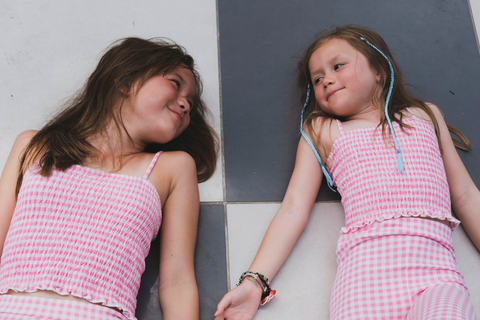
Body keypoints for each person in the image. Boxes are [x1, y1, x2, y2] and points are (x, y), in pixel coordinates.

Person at [214, 25, 479, 319]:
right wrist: (254, 283)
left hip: (435, 274)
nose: (326, 80)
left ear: (379, 69)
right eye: (317, 79)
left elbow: (467, 196)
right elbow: (293, 209)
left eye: (338, 66)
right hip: (364, 280)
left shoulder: (424, 115)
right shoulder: (322, 130)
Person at [0, 37, 218, 320]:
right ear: (124, 80)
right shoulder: (35, 145)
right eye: (176, 84)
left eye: (191, 102)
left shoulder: (172, 168)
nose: (186, 105)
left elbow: (178, 283)